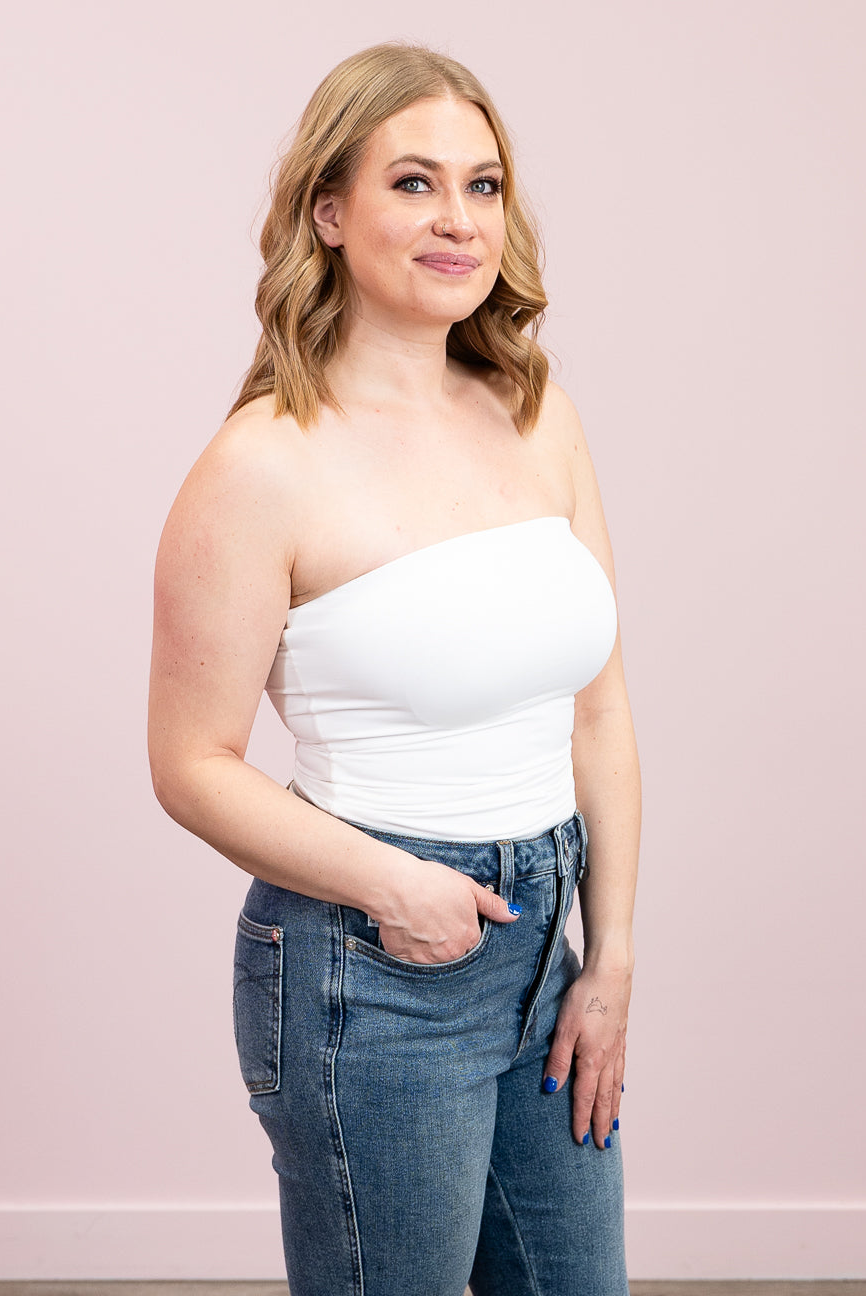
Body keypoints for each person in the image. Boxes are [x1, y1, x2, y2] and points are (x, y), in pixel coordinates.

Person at [148, 42, 639, 1296]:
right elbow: (190, 764)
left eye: (484, 185)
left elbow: (598, 709)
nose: (458, 219)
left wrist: (611, 955)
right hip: (371, 968)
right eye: (414, 182)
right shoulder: (262, 464)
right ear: (330, 211)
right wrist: (395, 886)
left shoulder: (538, 413)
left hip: (547, 945)